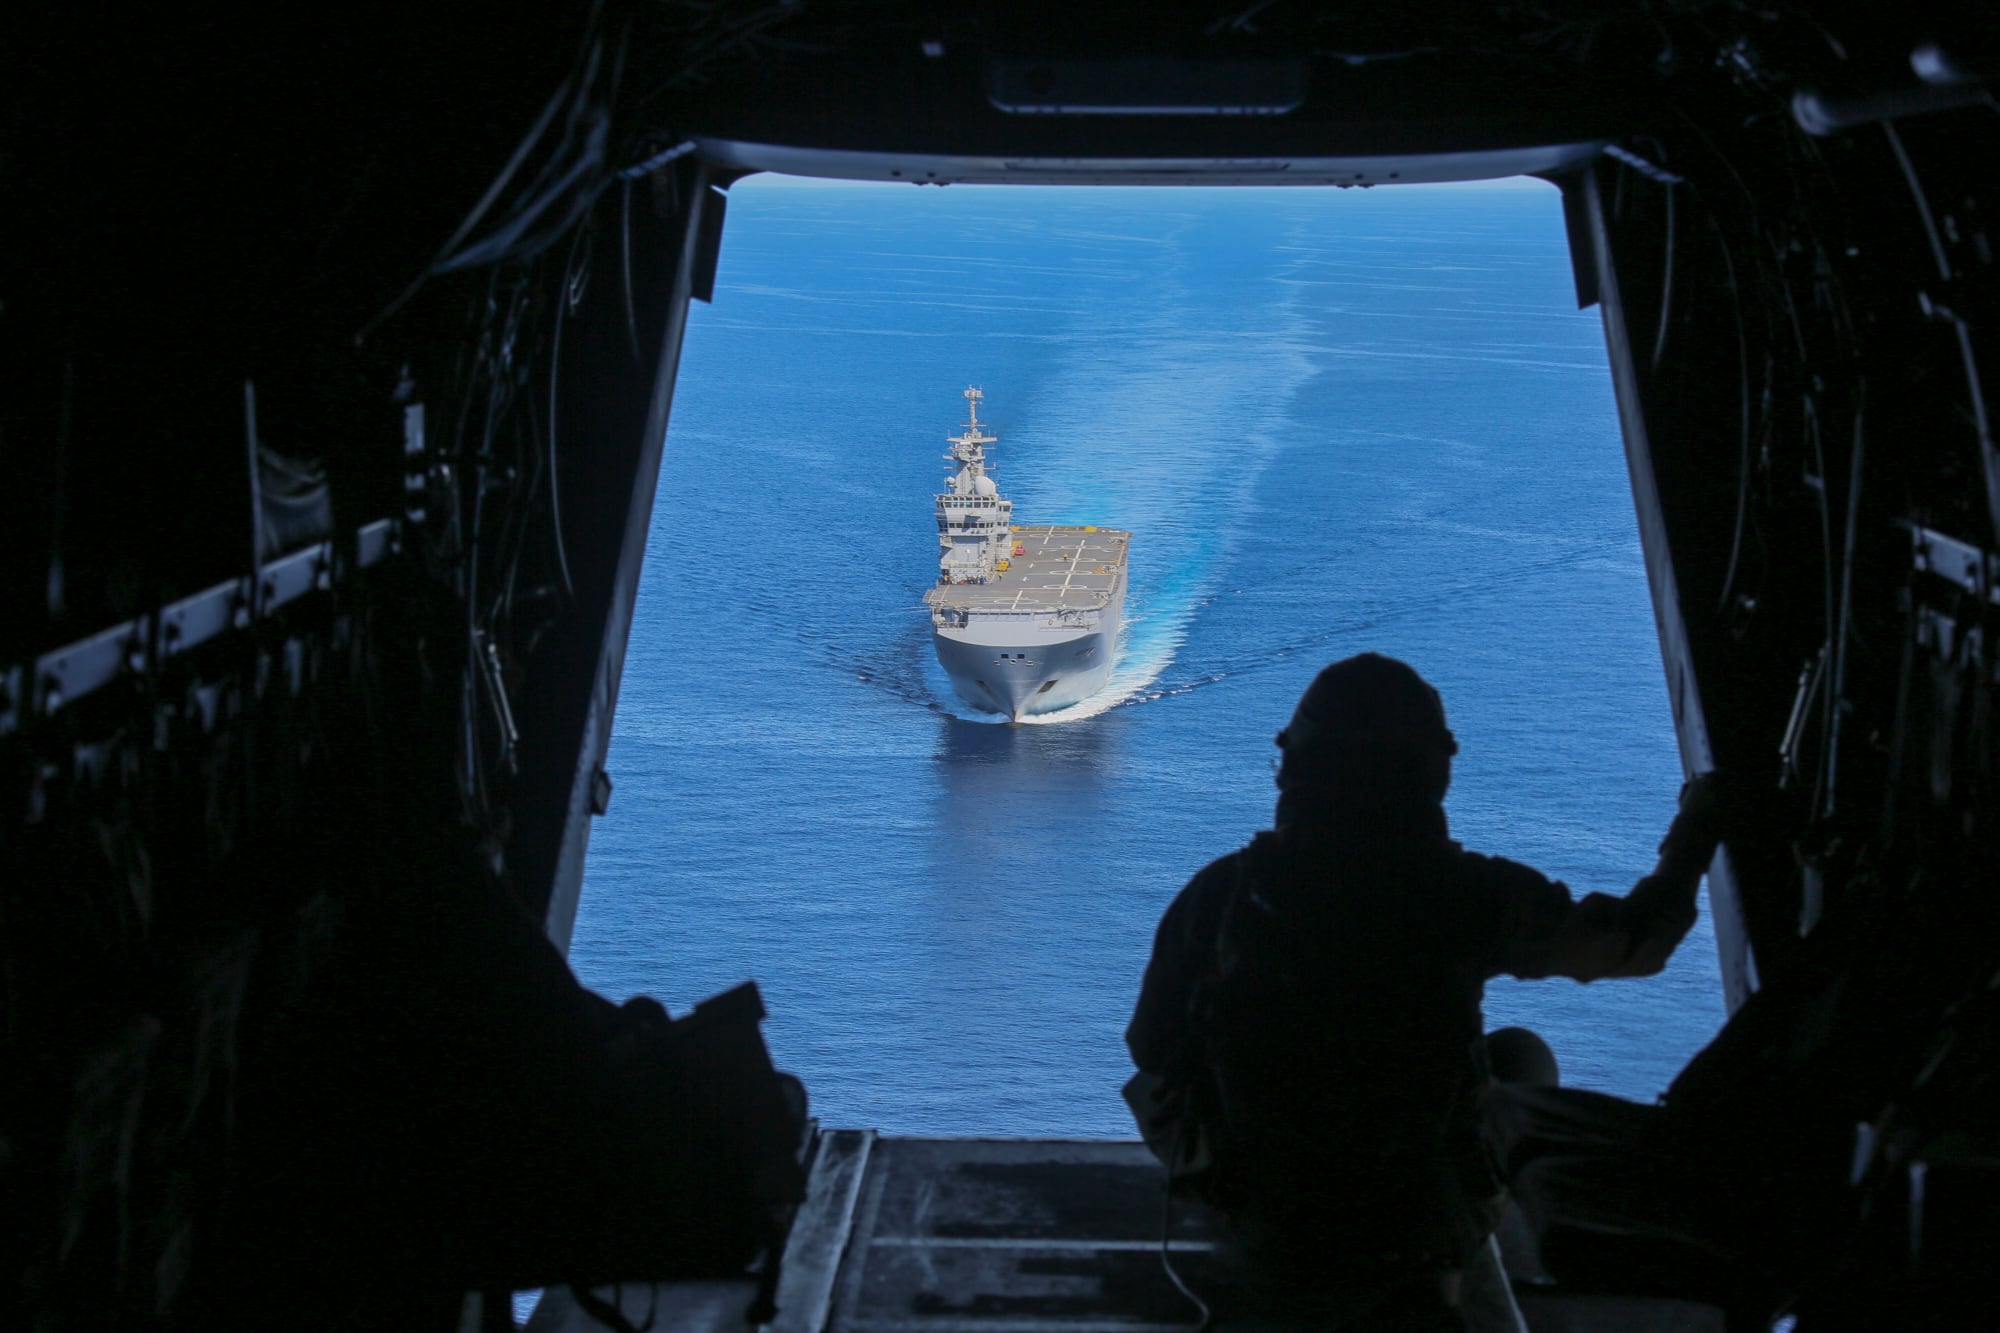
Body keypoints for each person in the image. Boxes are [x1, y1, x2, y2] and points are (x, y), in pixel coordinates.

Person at [1123, 653, 1729, 1329]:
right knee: (1522, 1056)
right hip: (1413, 1222)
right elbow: (1636, 945)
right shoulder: (1471, 895)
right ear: (1432, 772)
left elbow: (1151, 1046)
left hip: (1259, 1202)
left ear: (1295, 769)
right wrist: (1695, 830)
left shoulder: (1224, 892)